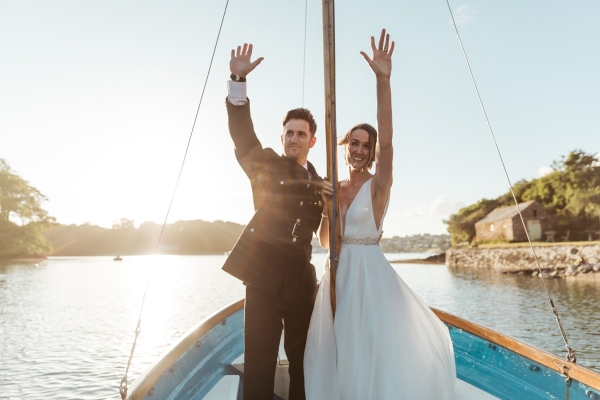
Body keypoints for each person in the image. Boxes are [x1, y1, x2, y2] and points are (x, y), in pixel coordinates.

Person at [304, 29, 456, 399]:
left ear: (371, 152)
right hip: (336, 275)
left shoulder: (378, 186)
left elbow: (388, 143)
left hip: (369, 277)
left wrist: (382, 81)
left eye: (365, 145)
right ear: (345, 146)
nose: (359, 150)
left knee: (368, 350)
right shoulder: (333, 187)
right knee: (335, 352)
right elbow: (326, 243)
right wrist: (326, 208)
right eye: (353, 143)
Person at [222, 43, 326, 400]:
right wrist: (238, 82)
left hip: (301, 282)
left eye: (301, 134)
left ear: (312, 140)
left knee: (303, 364)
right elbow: (242, 136)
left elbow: (329, 235)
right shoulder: (266, 165)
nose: (294, 139)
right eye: (289, 133)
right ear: (282, 138)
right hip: (263, 277)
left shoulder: (322, 185)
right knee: (259, 364)